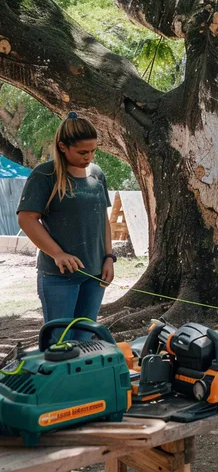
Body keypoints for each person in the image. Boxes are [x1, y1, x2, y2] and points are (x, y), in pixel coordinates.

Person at [17, 112, 114, 342]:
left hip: (95, 275)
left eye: (92, 151)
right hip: (58, 277)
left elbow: (103, 218)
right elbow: (26, 219)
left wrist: (109, 257)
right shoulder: (44, 175)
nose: (88, 157)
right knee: (59, 345)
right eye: (82, 152)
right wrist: (57, 253)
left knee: (86, 343)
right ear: (62, 146)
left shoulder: (97, 174)